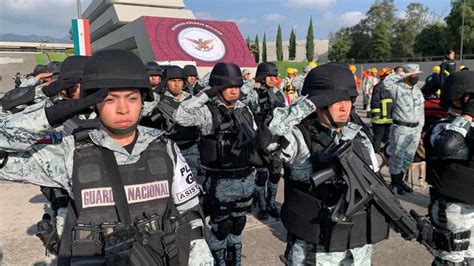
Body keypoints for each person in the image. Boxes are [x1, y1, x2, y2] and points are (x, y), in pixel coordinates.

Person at [0, 49, 212, 265]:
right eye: (110, 100)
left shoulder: (165, 147)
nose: (122, 109)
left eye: (132, 98)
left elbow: (190, 215)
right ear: (94, 102)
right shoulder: (70, 153)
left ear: (143, 101)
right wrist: (47, 111)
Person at [267, 63, 388, 265]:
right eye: (335, 100)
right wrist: (306, 104)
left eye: (348, 99)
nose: (344, 107)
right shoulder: (298, 137)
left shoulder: (358, 133)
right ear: (320, 103)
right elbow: (266, 142)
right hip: (317, 249)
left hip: (357, 247)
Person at [173, 62, 258, 265]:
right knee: (221, 227)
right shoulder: (207, 111)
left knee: (238, 223)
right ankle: (219, 260)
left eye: (236, 86)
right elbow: (180, 116)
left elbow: (255, 135)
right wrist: (206, 94)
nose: (233, 91)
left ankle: (234, 259)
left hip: (245, 180)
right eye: (227, 87)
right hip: (220, 183)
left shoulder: (244, 110)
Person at [424, 70, 474, 265]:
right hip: (453, 209)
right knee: (451, 261)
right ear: (457, 98)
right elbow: (448, 146)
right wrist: (468, 115)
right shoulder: (441, 127)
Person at [145, 65, 201, 180]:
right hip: (167, 148)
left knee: (192, 180)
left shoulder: (191, 99)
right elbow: (145, 111)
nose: (177, 85)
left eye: (179, 81)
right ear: (166, 82)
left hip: (190, 147)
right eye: (172, 81)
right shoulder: (159, 99)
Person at [383, 64, 425, 195]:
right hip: (401, 127)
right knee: (397, 157)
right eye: (413, 75)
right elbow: (385, 83)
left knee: (408, 157)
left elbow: (421, 111)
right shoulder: (397, 87)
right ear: (407, 76)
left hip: (415, 129)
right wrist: (401, 74)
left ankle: (400, 180)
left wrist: (420, 129)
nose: (416, 77)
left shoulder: (417, 90)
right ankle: (395, 183)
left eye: (417, 75)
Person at [252, 62, 286, 221]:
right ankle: (262, 204)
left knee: (275, 174)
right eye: (269, 76)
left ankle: (271, 203)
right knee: (262, 174)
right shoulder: (255, 94)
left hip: (276, 139)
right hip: (260, 139)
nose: (273, 79)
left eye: (275, 76)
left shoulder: (279, 94)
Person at [370, 67, 393, 155]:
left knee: (384, 136)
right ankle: (377, 151)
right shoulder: (379, 87)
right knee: (379, 136)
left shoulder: (389, 87)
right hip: (382, 117)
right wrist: (376, 113)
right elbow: (375, 102)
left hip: (386, 117)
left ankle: (382, 150)